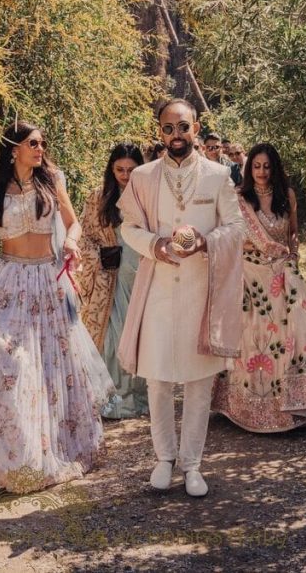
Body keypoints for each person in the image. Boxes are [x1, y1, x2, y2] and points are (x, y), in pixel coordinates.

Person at [0, 122, 114, 494]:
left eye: (42, 143)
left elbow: (74, 225)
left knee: (51, 366)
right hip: (8, 282)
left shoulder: (52, 181)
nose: (40, 149)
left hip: (48, 281)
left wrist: (69, 243)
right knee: (12, 365)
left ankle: (52, 448)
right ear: (13, 149)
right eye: (32, 143)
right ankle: (10, 454)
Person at [117, 99, 245, 497]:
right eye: (168, 128)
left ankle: (192, 465)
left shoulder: (218, 175)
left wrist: (206, 241)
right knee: (157, 379)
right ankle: (163, 459)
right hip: (157, 289)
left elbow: (237, 227)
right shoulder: (142, 176)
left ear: (196, 127)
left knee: (198, 381)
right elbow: (129, 227)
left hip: (200, 292)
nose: (176, 135)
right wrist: (154, 245)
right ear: (159, 131)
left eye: (183, 127)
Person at [212, 143, 306, 432]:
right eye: (256, 166)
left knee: (299, 330)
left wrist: (292, 261)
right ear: (249, 169)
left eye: (267, 166)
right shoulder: (239, 198)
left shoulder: (286, 196)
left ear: (275, 168)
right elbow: (229, 237)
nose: (262, 172)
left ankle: (302, 402)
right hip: (250, 276)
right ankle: (252, 408)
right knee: (256, 339)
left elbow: (293, 235)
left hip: (283, 275)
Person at [77, 143, 149, 419]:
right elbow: (84, 236)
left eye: (131, 170)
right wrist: (100, 254)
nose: (125, 175)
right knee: (113, 335)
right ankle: (112, 397)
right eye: (119, 169)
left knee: (138, 332)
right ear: (111, 169)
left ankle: (138, 396)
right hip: (108, 274)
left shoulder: (147, 195)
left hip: (140, 269)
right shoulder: (98, 197)